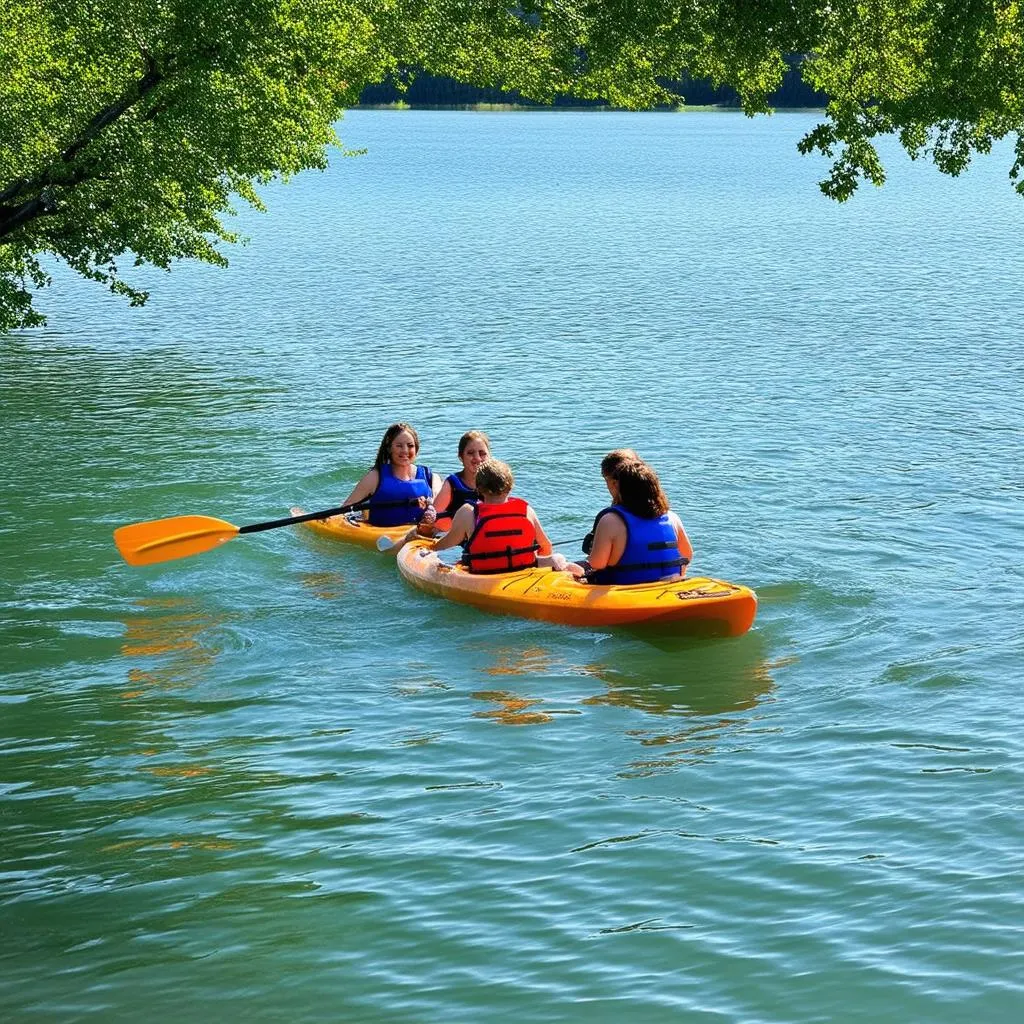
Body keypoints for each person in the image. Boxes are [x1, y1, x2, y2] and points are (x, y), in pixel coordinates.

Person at [423, 458, 582, 575]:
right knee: (557, 558)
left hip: (484, 573)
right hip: (523, 570)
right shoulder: (526, 510)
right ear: (510, 486)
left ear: (479, 488)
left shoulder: (467, 511)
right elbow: (545, 546)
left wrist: (428, 548)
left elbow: (448, 542)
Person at [585, 459, 693, 585]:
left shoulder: (610, 520)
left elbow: (597, 563)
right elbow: (687, 555)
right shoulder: (672, 518)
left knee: (562, 564)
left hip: (625, 591)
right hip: (666, 588)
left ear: (622, 489)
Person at [341, 423, 441, 526]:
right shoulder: (375, 477)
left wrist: (431, 507)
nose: (405, 450)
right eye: (399, 446)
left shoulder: (432, 479)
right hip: (382, 537)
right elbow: (344, 510)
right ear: (389, 448)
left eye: (410, 446)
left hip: (420, 535)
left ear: (416, 449)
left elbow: (442, 509)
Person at [434, 430, 490, 525]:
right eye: (470, 453)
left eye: (482, 453)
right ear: (461, 457)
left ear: (489, 456)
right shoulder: (452, 484)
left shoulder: (494, 483)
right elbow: (432, 519)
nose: (477, 458)